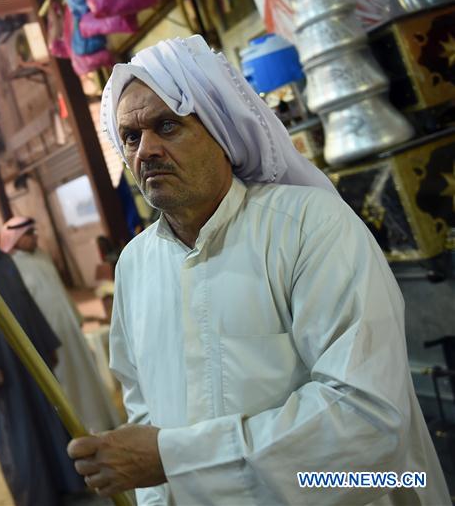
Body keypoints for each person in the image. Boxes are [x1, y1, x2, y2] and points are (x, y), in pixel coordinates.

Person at [66, 35, 448, 505]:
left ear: (222, 134)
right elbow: (144, 409)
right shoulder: (134, 266)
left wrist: (177, 459)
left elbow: (367, 420)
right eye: (130, 136)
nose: (146, 151)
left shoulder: (310, 227)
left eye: (167, 126)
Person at [0, 200, 84, 506]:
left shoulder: (5, 260)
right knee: (20, 427)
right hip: (2, 363)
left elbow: (28, 304)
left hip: (31, 354)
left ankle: (65, 483)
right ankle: (39, 496)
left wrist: (47, 344)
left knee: (50, 417)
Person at [0, 216, 121, 433]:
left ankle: (104, 421)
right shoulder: (11, 267)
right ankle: (82, 428)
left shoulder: (42, 256)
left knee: (88, 376)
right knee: (67, 384)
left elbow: (60, 293)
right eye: (28, 234)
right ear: (15, 238)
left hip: (70, 330)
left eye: (33, 232)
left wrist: (76, 317)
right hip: (51, 338)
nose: (34, 237)